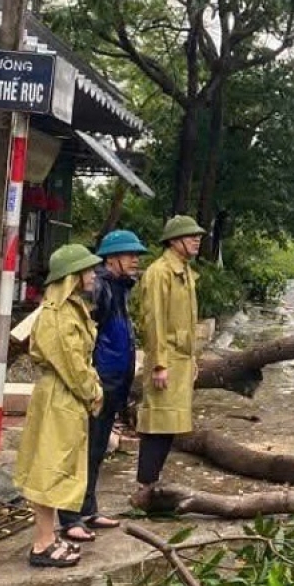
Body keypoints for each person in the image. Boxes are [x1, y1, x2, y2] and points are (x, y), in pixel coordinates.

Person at [13, 244, 104, 568]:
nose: (94, 274)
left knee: (57, 467)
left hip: (65, 396)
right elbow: (71, 363)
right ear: (72, 276)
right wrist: (92, 391)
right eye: (88, 269)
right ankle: (41, 544)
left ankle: (48, 537)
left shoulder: (71, 308)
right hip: (60, 396)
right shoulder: (58, 314)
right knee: (50, 468)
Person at [56, 229, 147, 542]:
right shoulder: (99, 289)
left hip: (114, 382)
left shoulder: (119, 287)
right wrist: (90, 379)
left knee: (96, 450)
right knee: (83, 449)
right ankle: (70, 517)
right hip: (99, 381)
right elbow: (82, 338)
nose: (136, 260)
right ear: (112, 258)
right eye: (130, 254)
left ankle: (88, 509)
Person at [130, 215, 205, 510]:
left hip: (182, 357)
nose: (196, 240)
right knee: (158, 421)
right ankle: (145, 484)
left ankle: (152, 482)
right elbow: (154, 321)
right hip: (167, 357)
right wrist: (159, 363)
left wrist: (193, 358)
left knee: (170, 422)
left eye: (197, 236)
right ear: (174, 241)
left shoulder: (184, 271)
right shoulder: (159, 272)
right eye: (190, 236)